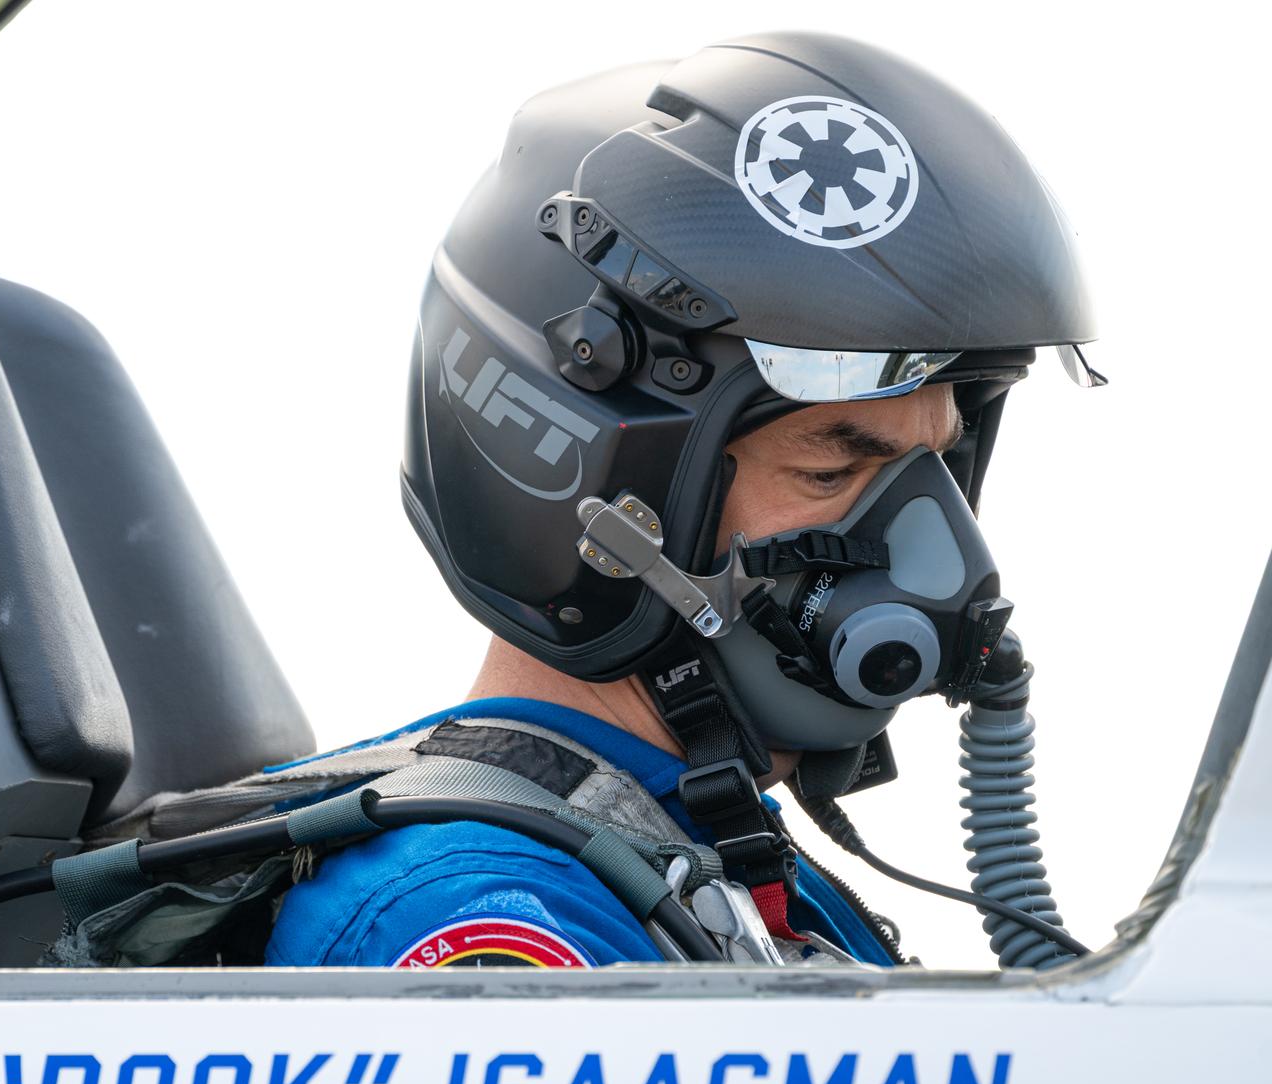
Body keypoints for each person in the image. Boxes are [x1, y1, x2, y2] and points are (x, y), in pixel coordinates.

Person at [260, 31, 1100, 969]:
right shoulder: (484, 919)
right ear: (601, 501)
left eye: (937, 464)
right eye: (831, 472)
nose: (939, 557)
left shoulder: (711, 871)